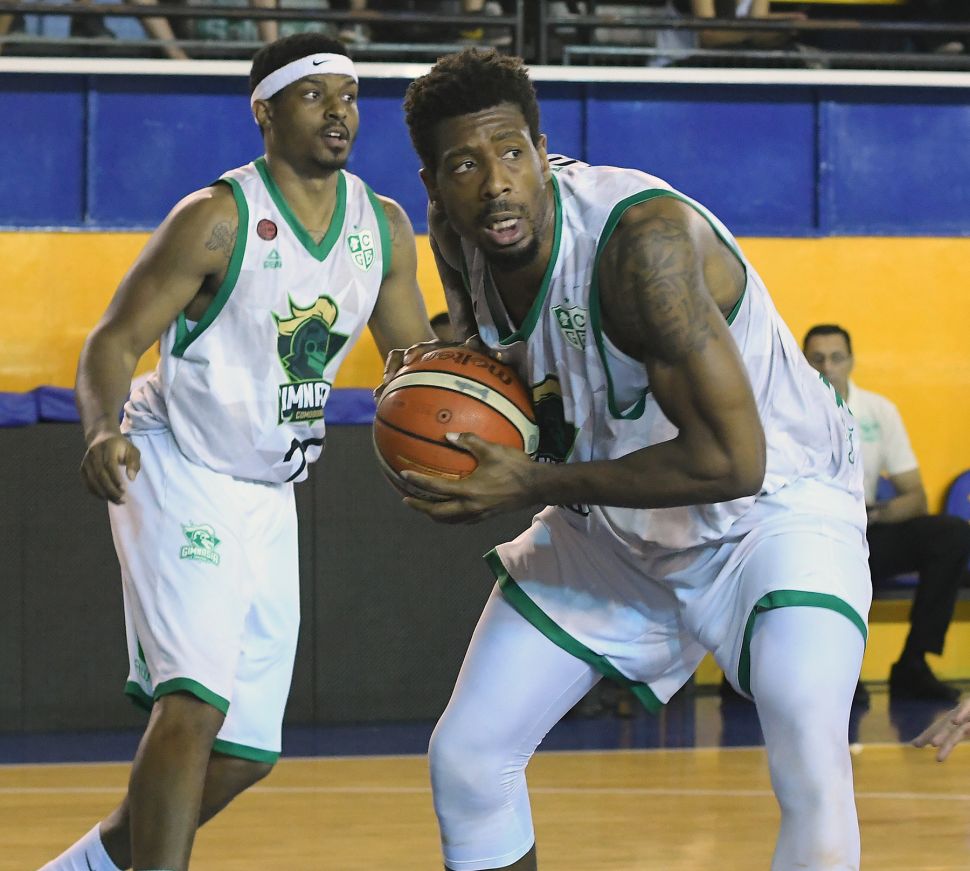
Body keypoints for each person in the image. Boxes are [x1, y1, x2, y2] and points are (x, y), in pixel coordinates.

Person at [391, 47, 871, 871]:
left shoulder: (642, 247)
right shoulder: (457, 234)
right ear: (434, 185)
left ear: (542, 151)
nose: (496, 183)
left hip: (771, 511)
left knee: (807, 737)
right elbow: (493, 364)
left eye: (511, 153)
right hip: (617, 520)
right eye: (465, 165)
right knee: (468, 757)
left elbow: (734, 461)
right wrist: (436, 381)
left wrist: (530, 482)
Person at [41, 32, 433, 871]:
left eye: (349, 95)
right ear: (265, 111)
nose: (338, 112)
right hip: (175, 459)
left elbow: (417, 366)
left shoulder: (384, 228)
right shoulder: (216, 219)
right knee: (193, 703)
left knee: (247, 751)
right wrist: (102, 429)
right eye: (313, 95)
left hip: (268, 486)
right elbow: (113, 341)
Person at [804, 324, 970, 703]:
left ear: (851, 362)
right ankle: (837, 673)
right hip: (810, 533)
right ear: (803, 364)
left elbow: (916, 498)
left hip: (864, 528)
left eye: (836, 358)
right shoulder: (784, 412)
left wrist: (872, 515)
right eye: (817, 359)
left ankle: (914, 664)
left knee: (952, 534)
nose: (827, 367)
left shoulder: (878, 411)